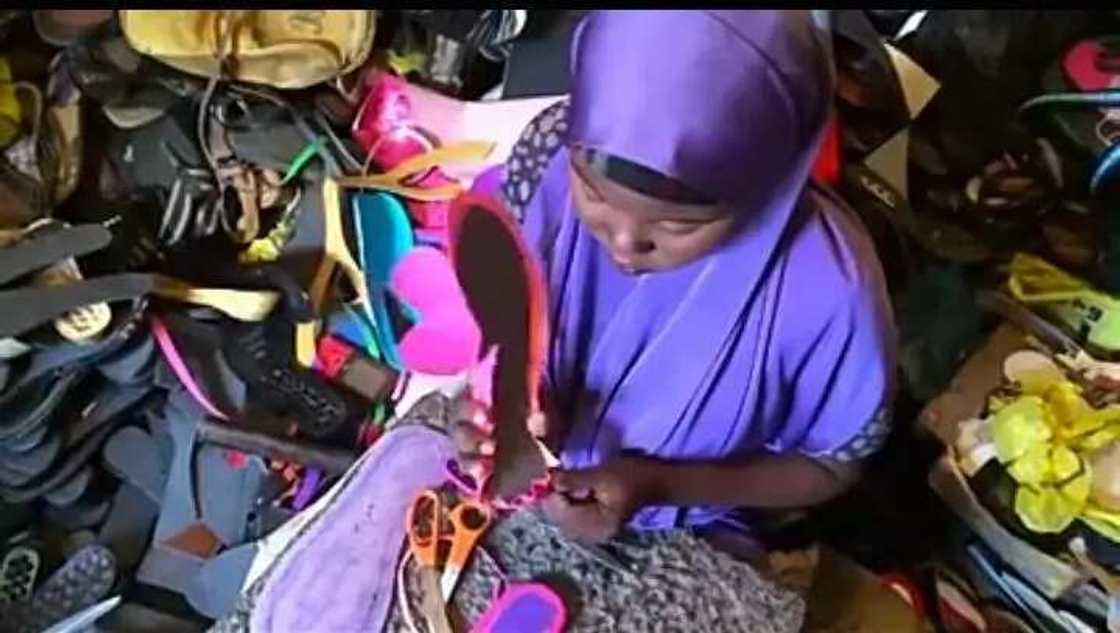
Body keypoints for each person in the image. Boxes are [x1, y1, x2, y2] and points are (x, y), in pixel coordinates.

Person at [453, 9, 898, 552]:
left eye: (678, 224)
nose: (623, 243)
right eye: (593, 194)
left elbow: (832, 466)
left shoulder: (833, 298)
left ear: (767, 189)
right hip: (540, 488)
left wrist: (660, 484)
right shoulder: (547, 152)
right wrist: (494, 404)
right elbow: (503, 304)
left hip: (693, 530)